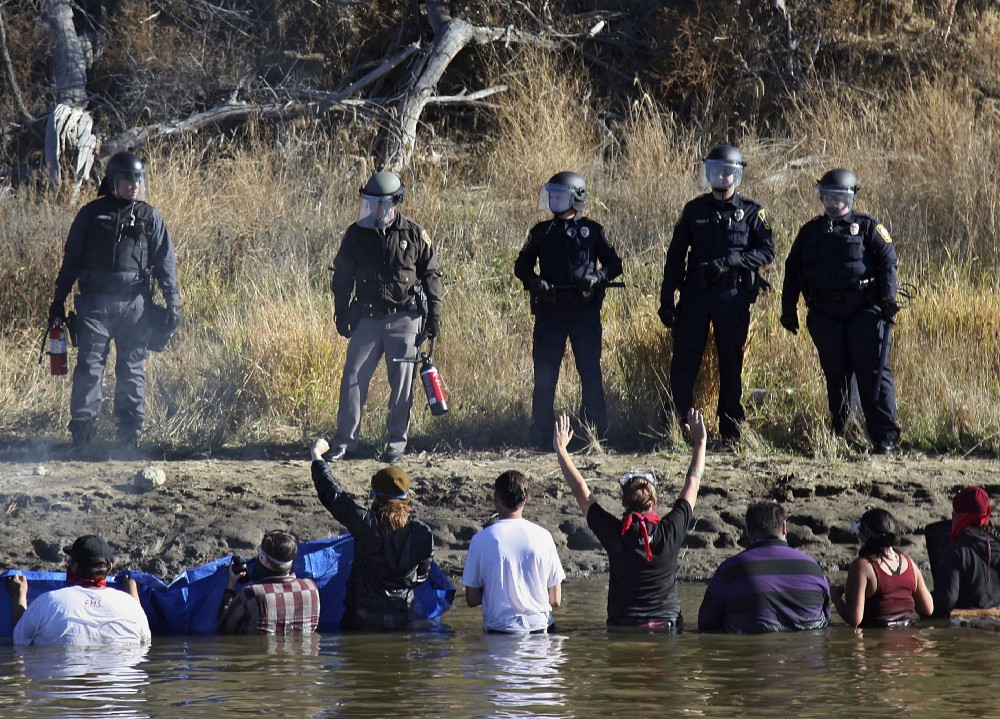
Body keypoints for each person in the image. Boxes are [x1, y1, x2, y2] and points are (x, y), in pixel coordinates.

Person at [50, 151, 180, 447]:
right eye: (128, 180)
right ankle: (83, 435)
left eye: (138, 180)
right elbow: (71, 261)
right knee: (89, 365)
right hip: (94, 306)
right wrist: (58, 300)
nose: (134, 186)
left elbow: (165, 265)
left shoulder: (150, 218)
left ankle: (129, 438)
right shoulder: (90, 215)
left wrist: (174, 304)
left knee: (132, 367)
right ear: (112, 182)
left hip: (135, 307)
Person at [658, 145, 774, 442]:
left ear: (737, 174)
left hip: (732, 296)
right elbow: (675, 256)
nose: (721, 177)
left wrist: (732, 261)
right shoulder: (694, 210)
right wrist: (666, 298)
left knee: (730, 363)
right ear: (707, 173)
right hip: (695, 295)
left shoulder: (752, 212)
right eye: (715, 172)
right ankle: (679, 424)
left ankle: (731, 429)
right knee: (684, 361)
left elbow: (766, 251)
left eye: (727, 172)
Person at [780, 168, 901, 454]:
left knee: (873, 372)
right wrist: (788, 309)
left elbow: (888, 262)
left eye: (840, 197)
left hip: (864, 311)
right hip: (825, 314)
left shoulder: (868, 227)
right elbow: (792, 269)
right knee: (836, 374)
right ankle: (842, 429)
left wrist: (888, 299)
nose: (835, 203)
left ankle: (884, 436)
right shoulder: (810, 232)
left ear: (851, 197)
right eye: (829, 197)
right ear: (822, 197)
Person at [328, 170, 443, 464]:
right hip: (367, 317)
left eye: (382, 204)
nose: (377, 210)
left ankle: (395, 444)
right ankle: (345, 442)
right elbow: (342, 276)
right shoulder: (356, 234)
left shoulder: (414, 234)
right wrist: (341, 311)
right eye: (372, 203)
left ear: (396, 203)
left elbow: (431, 275)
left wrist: (434, 316)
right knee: (353, 377)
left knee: (402, 383)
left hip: (405, 318)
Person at [553, 408, 705, 631]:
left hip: (623, 627)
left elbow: (580, 491)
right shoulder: (671, 529)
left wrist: (561, 451)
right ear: (653, 501)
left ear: (623, 502)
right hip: (667, 628)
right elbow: (693, 482)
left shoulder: (615, 532)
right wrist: (700, 443)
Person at [513, 171, 623, 449]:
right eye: (551, 194)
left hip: (584, 312)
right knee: (545, 374)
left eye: (559, 195)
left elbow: (615, 264)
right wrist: (534, 281)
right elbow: (521, 265)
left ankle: (595, 434)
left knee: (590, 372)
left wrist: (598, 277)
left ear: (576, 198)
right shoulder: (541, 232)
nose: (554, 200)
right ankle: (541, 435)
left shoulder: (593, 231)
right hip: (550, 312)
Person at [310, 437, 434, 630]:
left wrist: (317, 457)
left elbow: (333, 495)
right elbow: (421, 576)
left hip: (361, 621)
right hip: (402, 620)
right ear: (406, 499)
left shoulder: (366, 525)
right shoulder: (422, 533)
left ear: (375, 497)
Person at [698, 501, 831, 633]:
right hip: (807, 650)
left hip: (750, 650)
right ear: (784, 527)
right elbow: (826, 618)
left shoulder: (729, 570)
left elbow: (706, 624)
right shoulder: (813, 568)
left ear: (748, 531)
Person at [462, 470, 566, 634]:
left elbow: (472, 599)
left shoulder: (480, 540)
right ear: (527, 499)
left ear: (496, 497)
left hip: (500, 632)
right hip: (542, 630)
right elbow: (555, 600)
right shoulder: (544, 537)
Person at [5, 535, 151, 645]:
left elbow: (19, 639)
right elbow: (145, 641)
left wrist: (19, 595)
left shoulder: (49, 602)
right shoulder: (131, 606)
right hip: (121, 685)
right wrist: (133, 594)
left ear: (73, 565)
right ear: (110, 568)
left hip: (62, 684)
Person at [832, 509, 933, 628]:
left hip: (877, 641)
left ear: (865, 534)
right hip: (910, 639)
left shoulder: (862, 566)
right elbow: (928, 609)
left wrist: (834, 596)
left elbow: (854, 620)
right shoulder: (909, 563)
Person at [218, 530, 320, 635]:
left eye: (260, 553)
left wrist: (231, 586)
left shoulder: (252, 593)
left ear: (265, 559)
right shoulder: (311, 588)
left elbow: (224, 627)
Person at [932, 486, 1000, 615]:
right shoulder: (997, 543)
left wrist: (921, 602)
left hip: (971, 626)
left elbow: (946, 601)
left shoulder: (956, 552)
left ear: (959, 516)